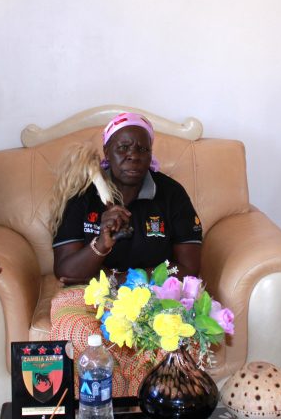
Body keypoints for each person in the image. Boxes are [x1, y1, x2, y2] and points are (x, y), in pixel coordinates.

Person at [48, 112, 203, 396]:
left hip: (154, 293)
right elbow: (66, 272)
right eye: (123, 147)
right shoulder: (82, 195)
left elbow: (188, 266)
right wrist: (101, 244)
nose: (133, 155)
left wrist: (133, 281)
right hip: (89, 293)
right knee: (74, 327)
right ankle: (102, 404)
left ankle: (142, 403)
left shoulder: (171, 194)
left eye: (142, 149)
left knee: (175, 336)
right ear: (107, 152)